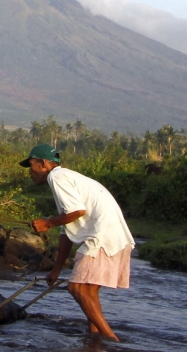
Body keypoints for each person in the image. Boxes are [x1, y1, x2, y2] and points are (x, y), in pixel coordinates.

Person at [24, 143, 135, 341]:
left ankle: (111, 340)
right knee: (88, 292)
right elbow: (67, 231)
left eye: (31, 166)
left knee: (76, 288)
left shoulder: (56, 177)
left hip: (102, 238)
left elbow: (77, 211)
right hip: (115, 238)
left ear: (43, 164)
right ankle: (94, 338)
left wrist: (48, 223)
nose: (30, 172)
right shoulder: (66, 178)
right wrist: (56, 270)